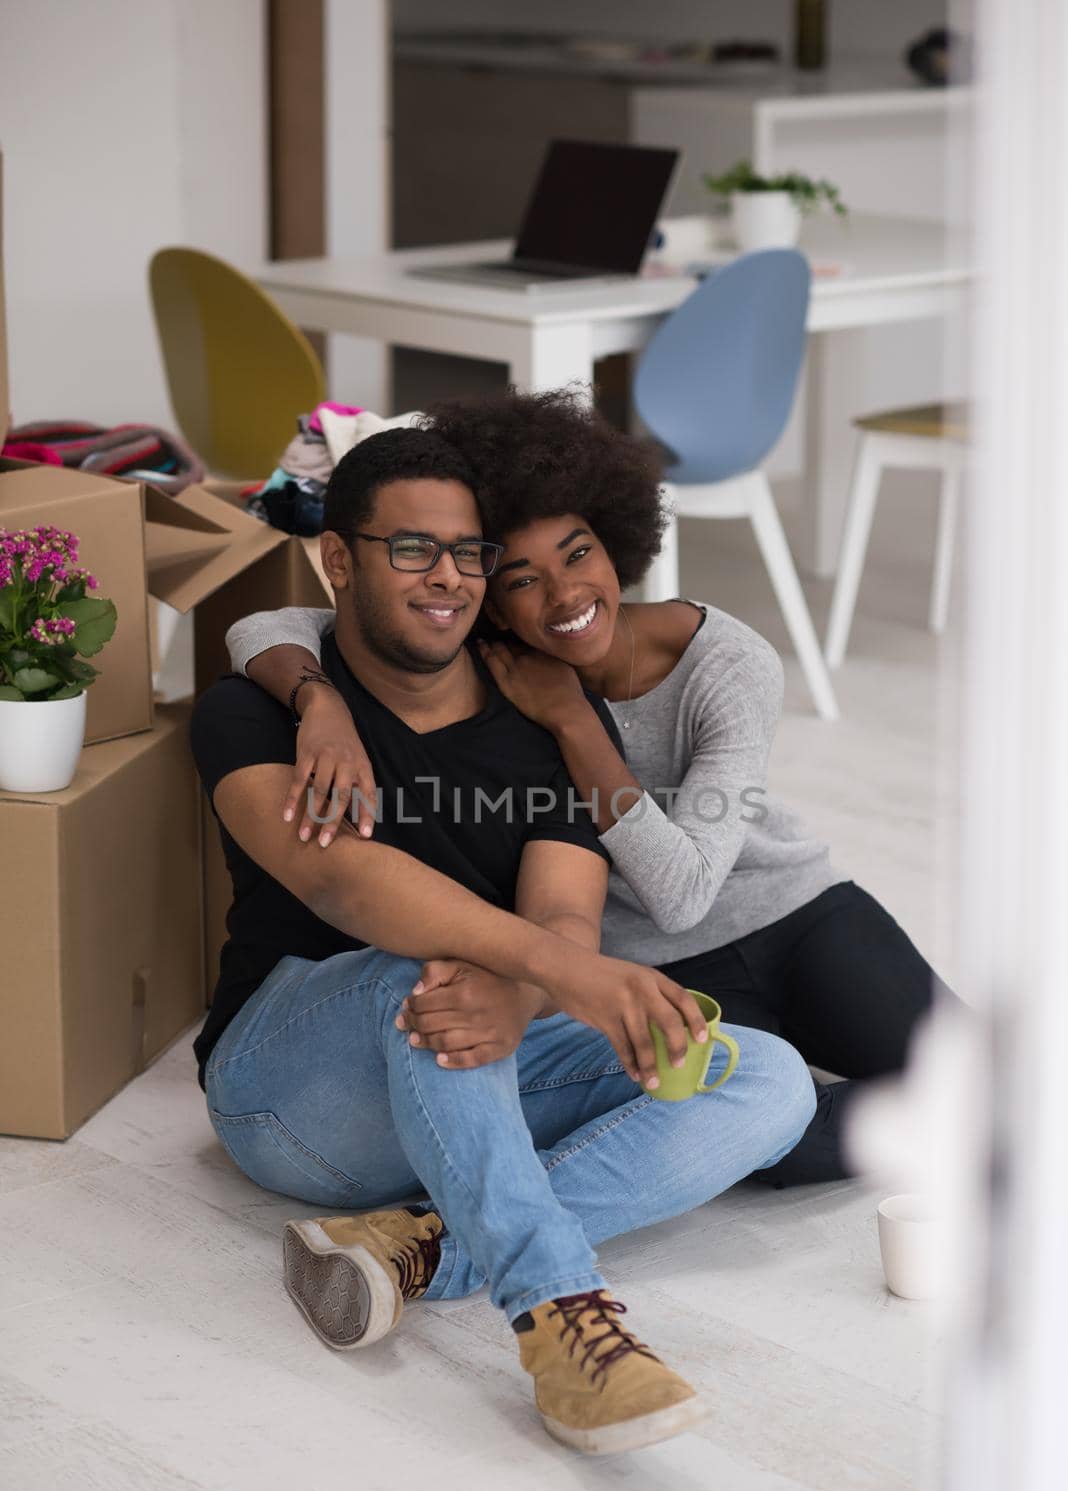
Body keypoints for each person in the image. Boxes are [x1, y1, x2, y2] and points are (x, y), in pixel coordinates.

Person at [192, 425, 815, 1457]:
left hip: (472, 1056)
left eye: (470, 553)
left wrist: (535, 986)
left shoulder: (538, 715)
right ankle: (562, 1315)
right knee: (429, 968)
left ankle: (422, 1245)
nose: (449, 577)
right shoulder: (250, 715)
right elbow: (341, 878)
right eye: (413, 550)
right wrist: (560, 973)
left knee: (770, 1078)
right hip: (290, 1092)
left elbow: (567, 908)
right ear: (338, 560)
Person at [226, 388, 951, 1189]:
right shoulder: (489, 667)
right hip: (627, 964)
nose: (566, 597)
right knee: (747, 1134)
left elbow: (683, 894)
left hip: (791, 909)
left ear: (615, 542)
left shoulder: (726, 663)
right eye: (524, 580)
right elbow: (276, 626)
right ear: (490, 597)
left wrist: (574, 722)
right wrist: (315, 697)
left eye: (579, 555)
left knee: (977, 1086)